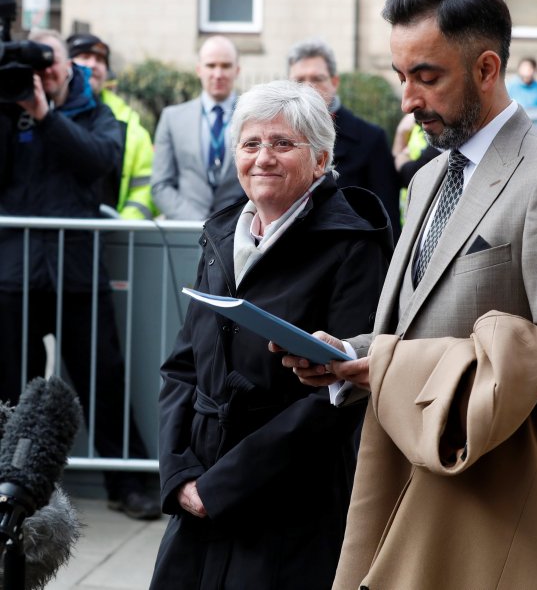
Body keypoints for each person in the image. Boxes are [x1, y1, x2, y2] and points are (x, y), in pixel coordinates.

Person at [278, 0, 537, 589]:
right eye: (400, 76)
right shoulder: (428, 178)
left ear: (486, 68)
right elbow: (417, 325)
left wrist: (397, 372)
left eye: (427, 76)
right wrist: (350, 355)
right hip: (405, 470)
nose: (407, 100)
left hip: (492, 489)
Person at [149, 79, 393, 589]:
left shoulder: (353, 244)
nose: (263, 158)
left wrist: (222, 487)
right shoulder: (220, 235)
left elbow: (340, 394)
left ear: (320, 160)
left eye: (282, 143)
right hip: (198, 492)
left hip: (288, 500)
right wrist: (178, 474)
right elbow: (182, 366)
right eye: (251, 143)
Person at [0, 29, 161, 521]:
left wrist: (45, 116)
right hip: (15, 273)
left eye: (51, 61)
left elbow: (99, 162)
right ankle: (10, 485)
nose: (44, 72)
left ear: (71, 66)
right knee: (10, 387)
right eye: (36, 64)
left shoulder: (98, 113)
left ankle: (127, 485)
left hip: (76, 273)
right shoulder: (7, 108)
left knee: (103, 379)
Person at [287, 38, 402, 240]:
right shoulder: (273, 140)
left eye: (317, 79)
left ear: (334, 82)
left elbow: (387, 220)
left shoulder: (371, 139)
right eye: (299, 81)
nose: (308, 88)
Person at [150, 35, 245, 220]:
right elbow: (160, 185)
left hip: (238, 228)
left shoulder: (254, 117)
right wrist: (199, 224)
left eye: (226, 66)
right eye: (211, 65)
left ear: (237, 70)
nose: (218, 74)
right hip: (187, 228)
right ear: (199, 69)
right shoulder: (172, 118)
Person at [67, 32, 158, 219]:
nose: (93, 64)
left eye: (100, 60)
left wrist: (122, 225)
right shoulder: (45, 111)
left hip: (111, 232)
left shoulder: (128, 122)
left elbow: (146, 185)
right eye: (85, 57)